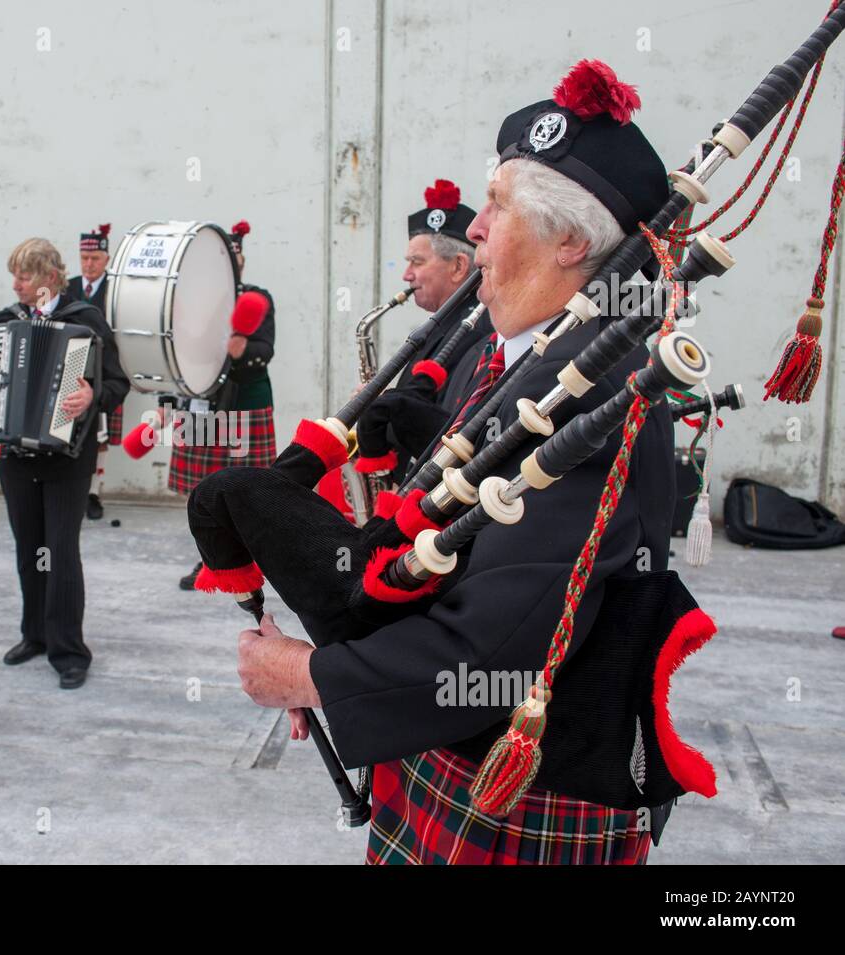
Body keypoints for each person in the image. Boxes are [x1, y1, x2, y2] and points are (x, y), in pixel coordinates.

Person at [230, 60, 687, 864]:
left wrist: (311, 676)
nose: (474, 227)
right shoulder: (526, 354)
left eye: (500, 205)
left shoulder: (592, 392)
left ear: (573, 242)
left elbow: (494, 650)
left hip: (526, 795)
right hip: (448, 759)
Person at [0, 238, 128, 689]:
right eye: (14, 276)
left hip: (67, 459)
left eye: (23, 276)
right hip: (15, 457)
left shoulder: (84, 320)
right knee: (29, 549)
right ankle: (35, 635)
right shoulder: (5, 323)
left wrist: (90, 397)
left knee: (61, 553)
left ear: (49, 278)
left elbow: (118, 384)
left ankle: (69, 650)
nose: (15, 285)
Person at [353, 180, 493, 484]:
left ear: (458, 267)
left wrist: (376, 413)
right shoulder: (445, 322)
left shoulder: (472, 329)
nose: (406, 275)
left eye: (417, 262)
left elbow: (434, 422)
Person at [171, 220, 277, 589]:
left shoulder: (257, 298)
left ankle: (248, 558)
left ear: (242, 261)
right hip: (203, 404)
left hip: (244, 404)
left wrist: (243, 349)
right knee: (203, 490)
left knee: (244, 489)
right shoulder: (193, 301)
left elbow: (266, 350)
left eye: (235, 258)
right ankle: (210, 560)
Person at [66, 223, 120, 520]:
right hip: (72, 373)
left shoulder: (116, 289)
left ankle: (93, 493)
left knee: (100, 437)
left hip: (102, 375)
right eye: (84, 258)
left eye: (95, 259)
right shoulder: (68, 287)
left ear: (106, 259)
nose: (88, 265)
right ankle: (73, 491)